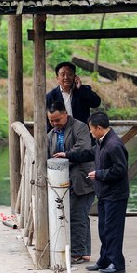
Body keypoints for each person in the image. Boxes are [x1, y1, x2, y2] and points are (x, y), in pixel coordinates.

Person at [47, 101, 96, 264]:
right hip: (62, 183)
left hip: (82, 179)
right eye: (51, 121)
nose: (54, 124)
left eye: (57, 120)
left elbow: (83, 149)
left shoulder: (80, 127)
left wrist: (66, 155)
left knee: (77, 216)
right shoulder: (52, 133)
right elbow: (46, 152)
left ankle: (77, 253)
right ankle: (84, 252)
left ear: (65, 114)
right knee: (80, 216)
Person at [85, 112, 129, 273]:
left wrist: (99, 174)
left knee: (113, 230)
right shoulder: (101, 142)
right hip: (105, 194)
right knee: (104, 229)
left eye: (91, 129)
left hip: (116, 195)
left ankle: (117, 264)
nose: (90, 133)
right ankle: (105, 259)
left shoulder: (114, 144)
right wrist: (68, 155)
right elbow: (90, 154)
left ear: (99, 128)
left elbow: (121, 169)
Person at [45, 61, 102, 126]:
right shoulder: (51, 96)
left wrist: (80, 88)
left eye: (69, 74)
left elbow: (96, 103)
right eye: (63, 75)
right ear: (57, 78)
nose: (66, 77)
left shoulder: (82, 90)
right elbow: (48, 120)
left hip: (81, 132)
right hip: (61, 133)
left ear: (75, 77)